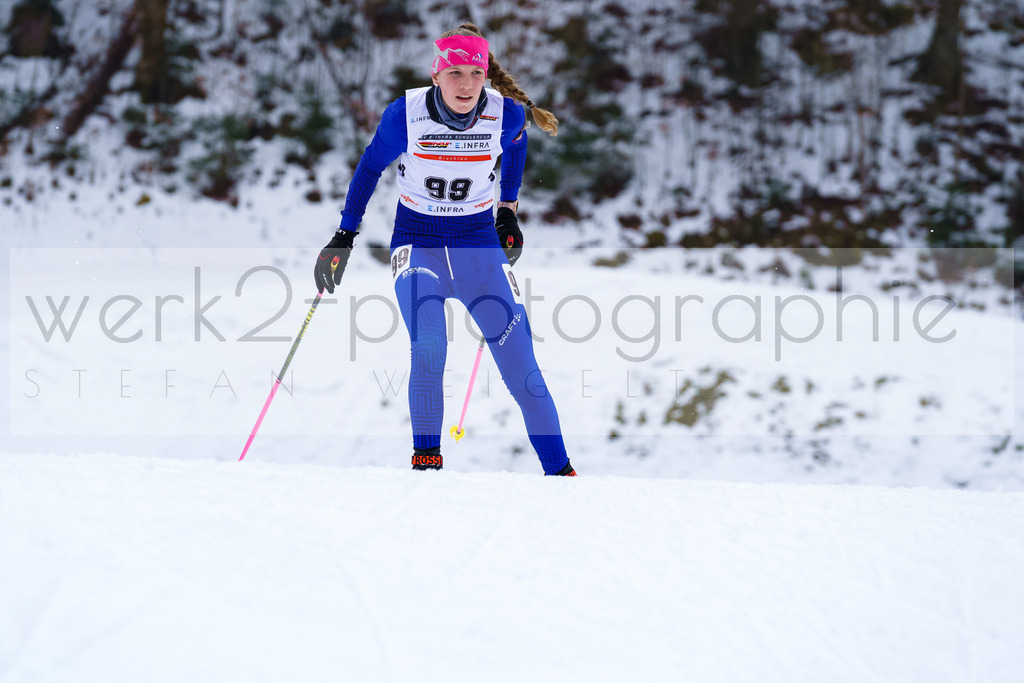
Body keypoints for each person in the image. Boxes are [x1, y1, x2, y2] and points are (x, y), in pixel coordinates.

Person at [314, 23, 576, 476]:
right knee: (431, 343)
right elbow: (370, 167)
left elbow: (516, 145)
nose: (466, 84)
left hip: (479, 247)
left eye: (475, 73)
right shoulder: (405, 115)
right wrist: (345, 235)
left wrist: (507, 209)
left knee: (524, 371)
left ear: (486, 75)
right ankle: (427, 465)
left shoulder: (506, 113)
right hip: (419, 245)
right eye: (454, 72)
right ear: (436, 75)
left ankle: (562, 475)